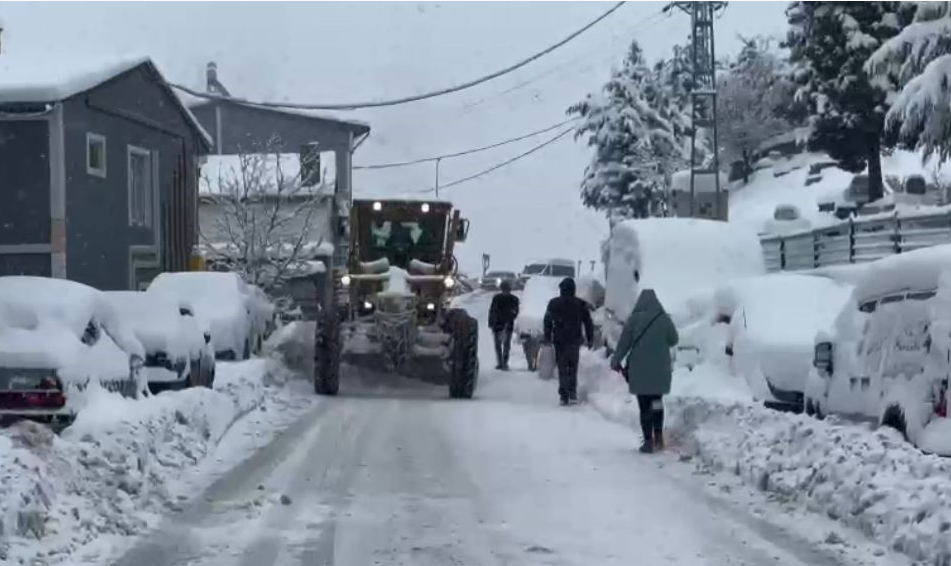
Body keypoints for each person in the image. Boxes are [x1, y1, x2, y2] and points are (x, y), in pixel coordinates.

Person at [609, 288, 679, 454]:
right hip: (659, 371)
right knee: (656, 402)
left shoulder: (634, 320)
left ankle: (648, 441)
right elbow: (674, 339)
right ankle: (659, 437)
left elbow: (624, 343)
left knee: (644, 405)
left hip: (639, 371)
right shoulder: (663, 319)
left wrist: (616, 360)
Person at [543, 277, 594, 406]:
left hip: (560, 340)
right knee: (573, 367)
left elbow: (547, 321)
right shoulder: (580, 304)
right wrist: (590, 338)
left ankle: (564, 396)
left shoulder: (553, 303)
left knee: (562, 367)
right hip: (574, 340)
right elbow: (588, 322)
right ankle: (572, 393)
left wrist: (547, 337)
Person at [488, 280, 520, 370]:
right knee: (504, 345)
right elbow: (515, 312)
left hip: (501, 324)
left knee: (501, 345)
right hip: (504, 324)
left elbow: (492, 311)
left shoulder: (498, 298)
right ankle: (502, 363)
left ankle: (502, 363)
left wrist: (491, 322)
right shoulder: (514, 299)